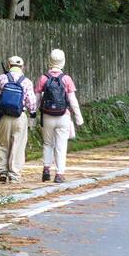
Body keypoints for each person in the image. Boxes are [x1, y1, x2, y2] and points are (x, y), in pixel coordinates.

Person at [35, 48, 84, 183]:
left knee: (47, 143)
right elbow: (73, 100)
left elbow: (37, 98)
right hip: (63, 116)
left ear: (49, 61)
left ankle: (46, 169)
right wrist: (79, 118)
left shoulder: (43, 78)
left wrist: (33, 113)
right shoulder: (66, 79)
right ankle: (59, 174)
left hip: (47, 116)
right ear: (63, 62)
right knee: (61, 146)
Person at [0, 55, 36, 183]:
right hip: (19, 116)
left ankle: (2, 172)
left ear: (9, 66)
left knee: (3, 144)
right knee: (18, 145)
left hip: (4, 116)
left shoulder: (2, 78)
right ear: (22, 67)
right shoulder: (26, 81)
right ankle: (14, 174)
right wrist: (32, 113)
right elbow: (31, 103)